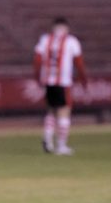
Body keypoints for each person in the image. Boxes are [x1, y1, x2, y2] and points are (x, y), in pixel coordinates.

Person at [33, 17, 88, 155]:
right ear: (66, 28)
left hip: (48, 81)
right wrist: (83, 80)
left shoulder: (45, 39)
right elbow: (79, 62)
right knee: (64, 111)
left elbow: (37, 60)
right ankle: (61, 146)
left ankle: (47, 138)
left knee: (51, 111)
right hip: (63, 82)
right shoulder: (71, 41)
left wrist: (38, 78)